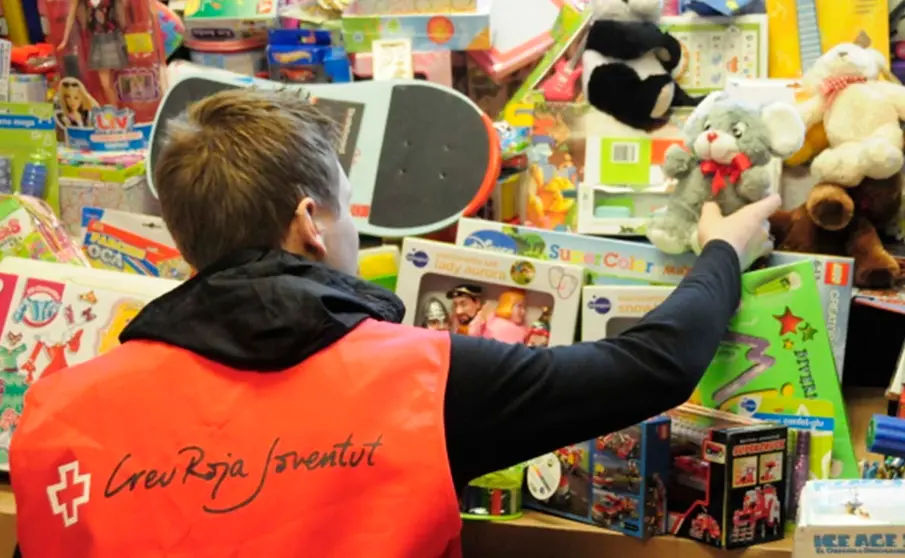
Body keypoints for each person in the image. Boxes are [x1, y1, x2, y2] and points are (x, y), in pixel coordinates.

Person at [10, 89, 780, 557]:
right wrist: (720, 247)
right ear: (311, 221)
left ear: (184, 240)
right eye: (349, 204)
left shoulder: (57, 414)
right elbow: (653, 366)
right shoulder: (419, 379)